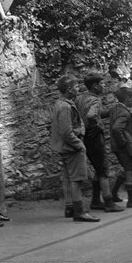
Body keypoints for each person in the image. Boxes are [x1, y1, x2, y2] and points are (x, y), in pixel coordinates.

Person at [50, 75, 100, 222]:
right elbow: (66, 132)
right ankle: (79, 211)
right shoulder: (65, 106)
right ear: (69, 89)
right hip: (71, 148)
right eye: (76, 87)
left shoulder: (60, 103)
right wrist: (80, 145)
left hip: (64, 147)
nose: (79, 89)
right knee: (76, 179)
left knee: (67, 178)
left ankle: (69, 207)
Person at [75, 73, 124, 213]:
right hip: (95, 138)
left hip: (85, 137)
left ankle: (96, 200)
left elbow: (88, 113)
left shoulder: (81, 98)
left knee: (97, 168)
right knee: (103, 170)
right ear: (95, 86)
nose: (104, 86)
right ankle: (109, 202)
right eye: (102, 84)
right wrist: (95, 125)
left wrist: (109, 112)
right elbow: (91, 114)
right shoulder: (96, 100)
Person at [109, 87, 132, 208]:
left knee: (126, 169)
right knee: (129, 170)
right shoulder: (125, 113)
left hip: (118, 146)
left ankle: (114, 193)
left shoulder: (115, 108)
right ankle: (131, 199)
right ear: (127, 99)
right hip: (124, 147)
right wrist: (124, 142)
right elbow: (116, 128)